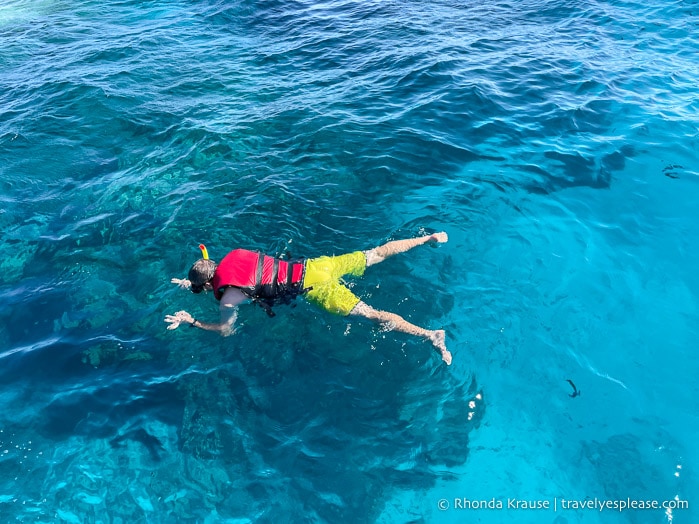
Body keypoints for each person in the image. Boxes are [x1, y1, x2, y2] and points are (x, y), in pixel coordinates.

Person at [165, 233, 452, 365]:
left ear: (204, 286)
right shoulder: (235, 254)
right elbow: (234, 274)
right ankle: (428, 238)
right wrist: (189, 283)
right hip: (315, 266)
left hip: (318, 290)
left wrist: (193, 322)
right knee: (375, 253)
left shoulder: (227, 299)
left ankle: (430, 335)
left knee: (373, 315)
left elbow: (227, 330)